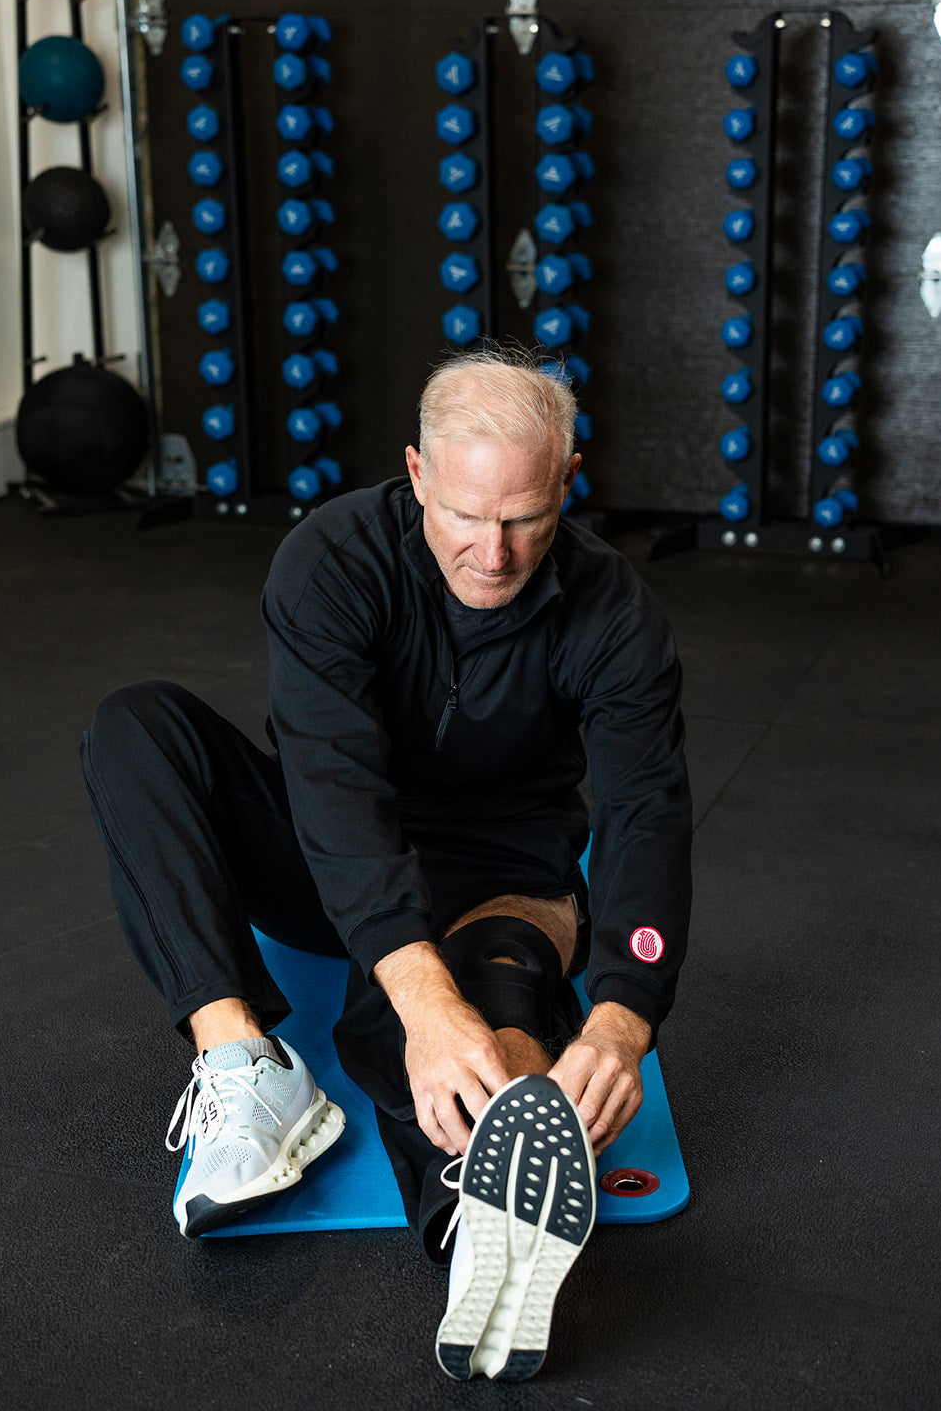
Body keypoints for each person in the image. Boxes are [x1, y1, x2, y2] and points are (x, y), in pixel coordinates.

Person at [81, 345, 692, 1382]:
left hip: (499, 872)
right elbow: (330, 787)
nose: (491, 553)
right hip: (334, 845)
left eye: (523, 519)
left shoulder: (614, 611)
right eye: (463, 514)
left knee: (488, 1022)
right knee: (135, 726)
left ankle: (478, 1212)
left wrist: (625, 1012)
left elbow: (643, 812)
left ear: (567, 482)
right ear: (414, 474)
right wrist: (415, 990)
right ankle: (243, 1061)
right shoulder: (330, 562)